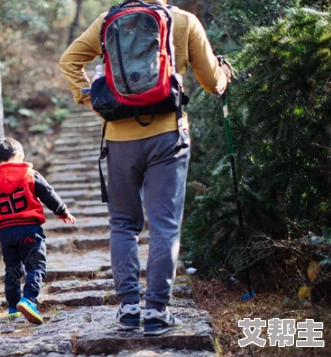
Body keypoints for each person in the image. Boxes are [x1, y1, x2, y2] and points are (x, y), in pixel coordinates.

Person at [60, 0, 231, 335]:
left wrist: (93, 100)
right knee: (164, 225)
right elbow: (212, 81)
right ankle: (156, 311)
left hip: (119, 139)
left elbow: (69, 61)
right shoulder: (183, 21)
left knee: (123, 224)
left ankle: (127, 309)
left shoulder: (108, 20)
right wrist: (224, 76)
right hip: (168, 136)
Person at [0, 137, 76, 325]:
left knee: (12, 268)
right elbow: (48, 193)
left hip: (6, 232)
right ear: (19, 156)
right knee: (36, 265)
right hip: (29, 229)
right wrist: (62, 211)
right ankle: (28, 299)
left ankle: (13, 306)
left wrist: (0, 230)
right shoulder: (29, 174)